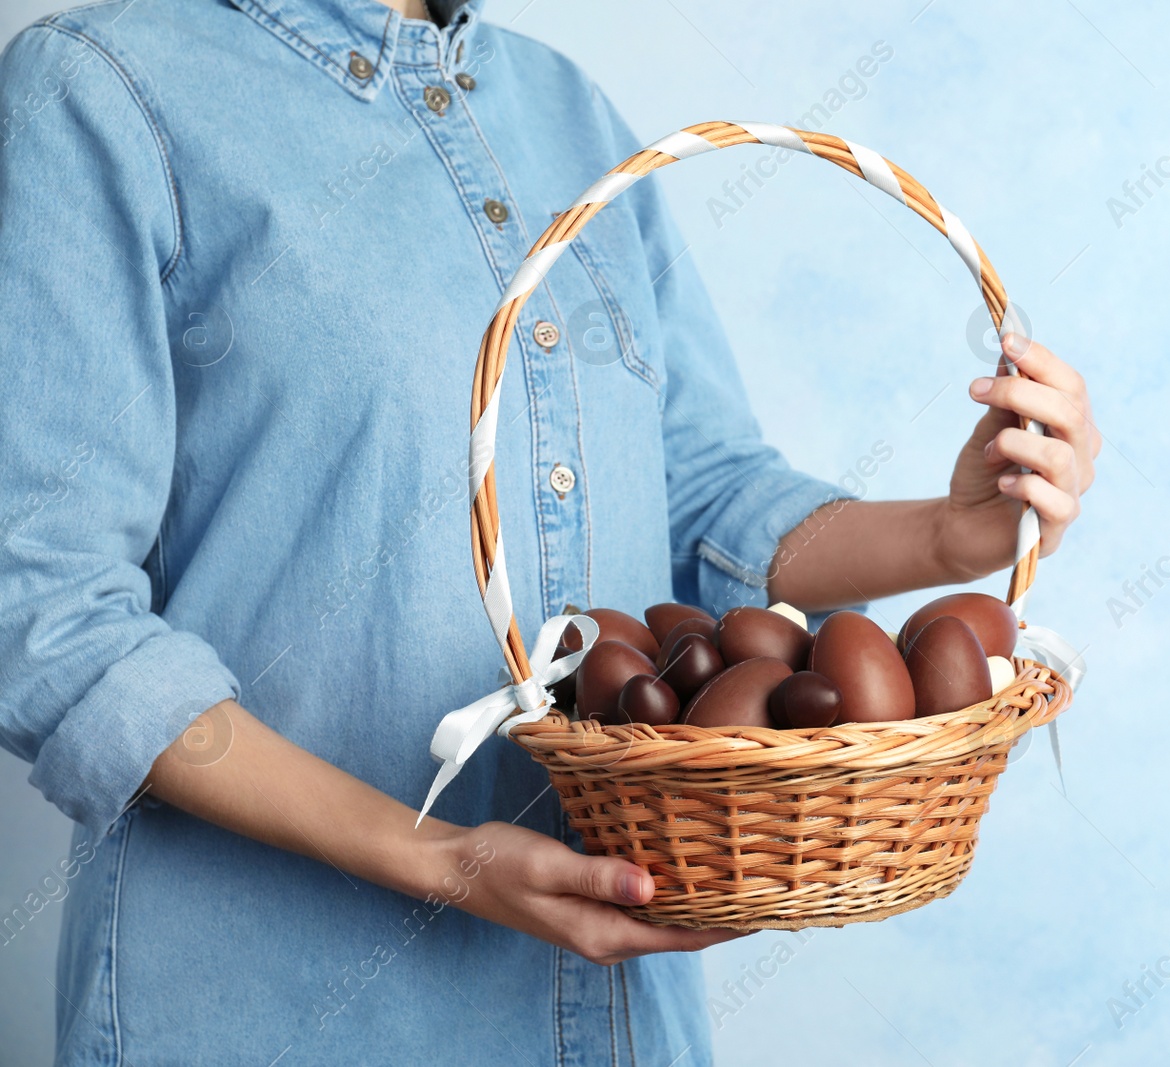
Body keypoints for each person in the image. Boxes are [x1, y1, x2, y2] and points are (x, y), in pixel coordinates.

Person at [0, 0, 1098, 1061]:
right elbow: (46, 614)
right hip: (283, 1007)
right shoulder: (100, 90)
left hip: (616, 1005)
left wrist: (954, 535)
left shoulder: (564, 109)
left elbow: (702, 496)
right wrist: (441, 857)